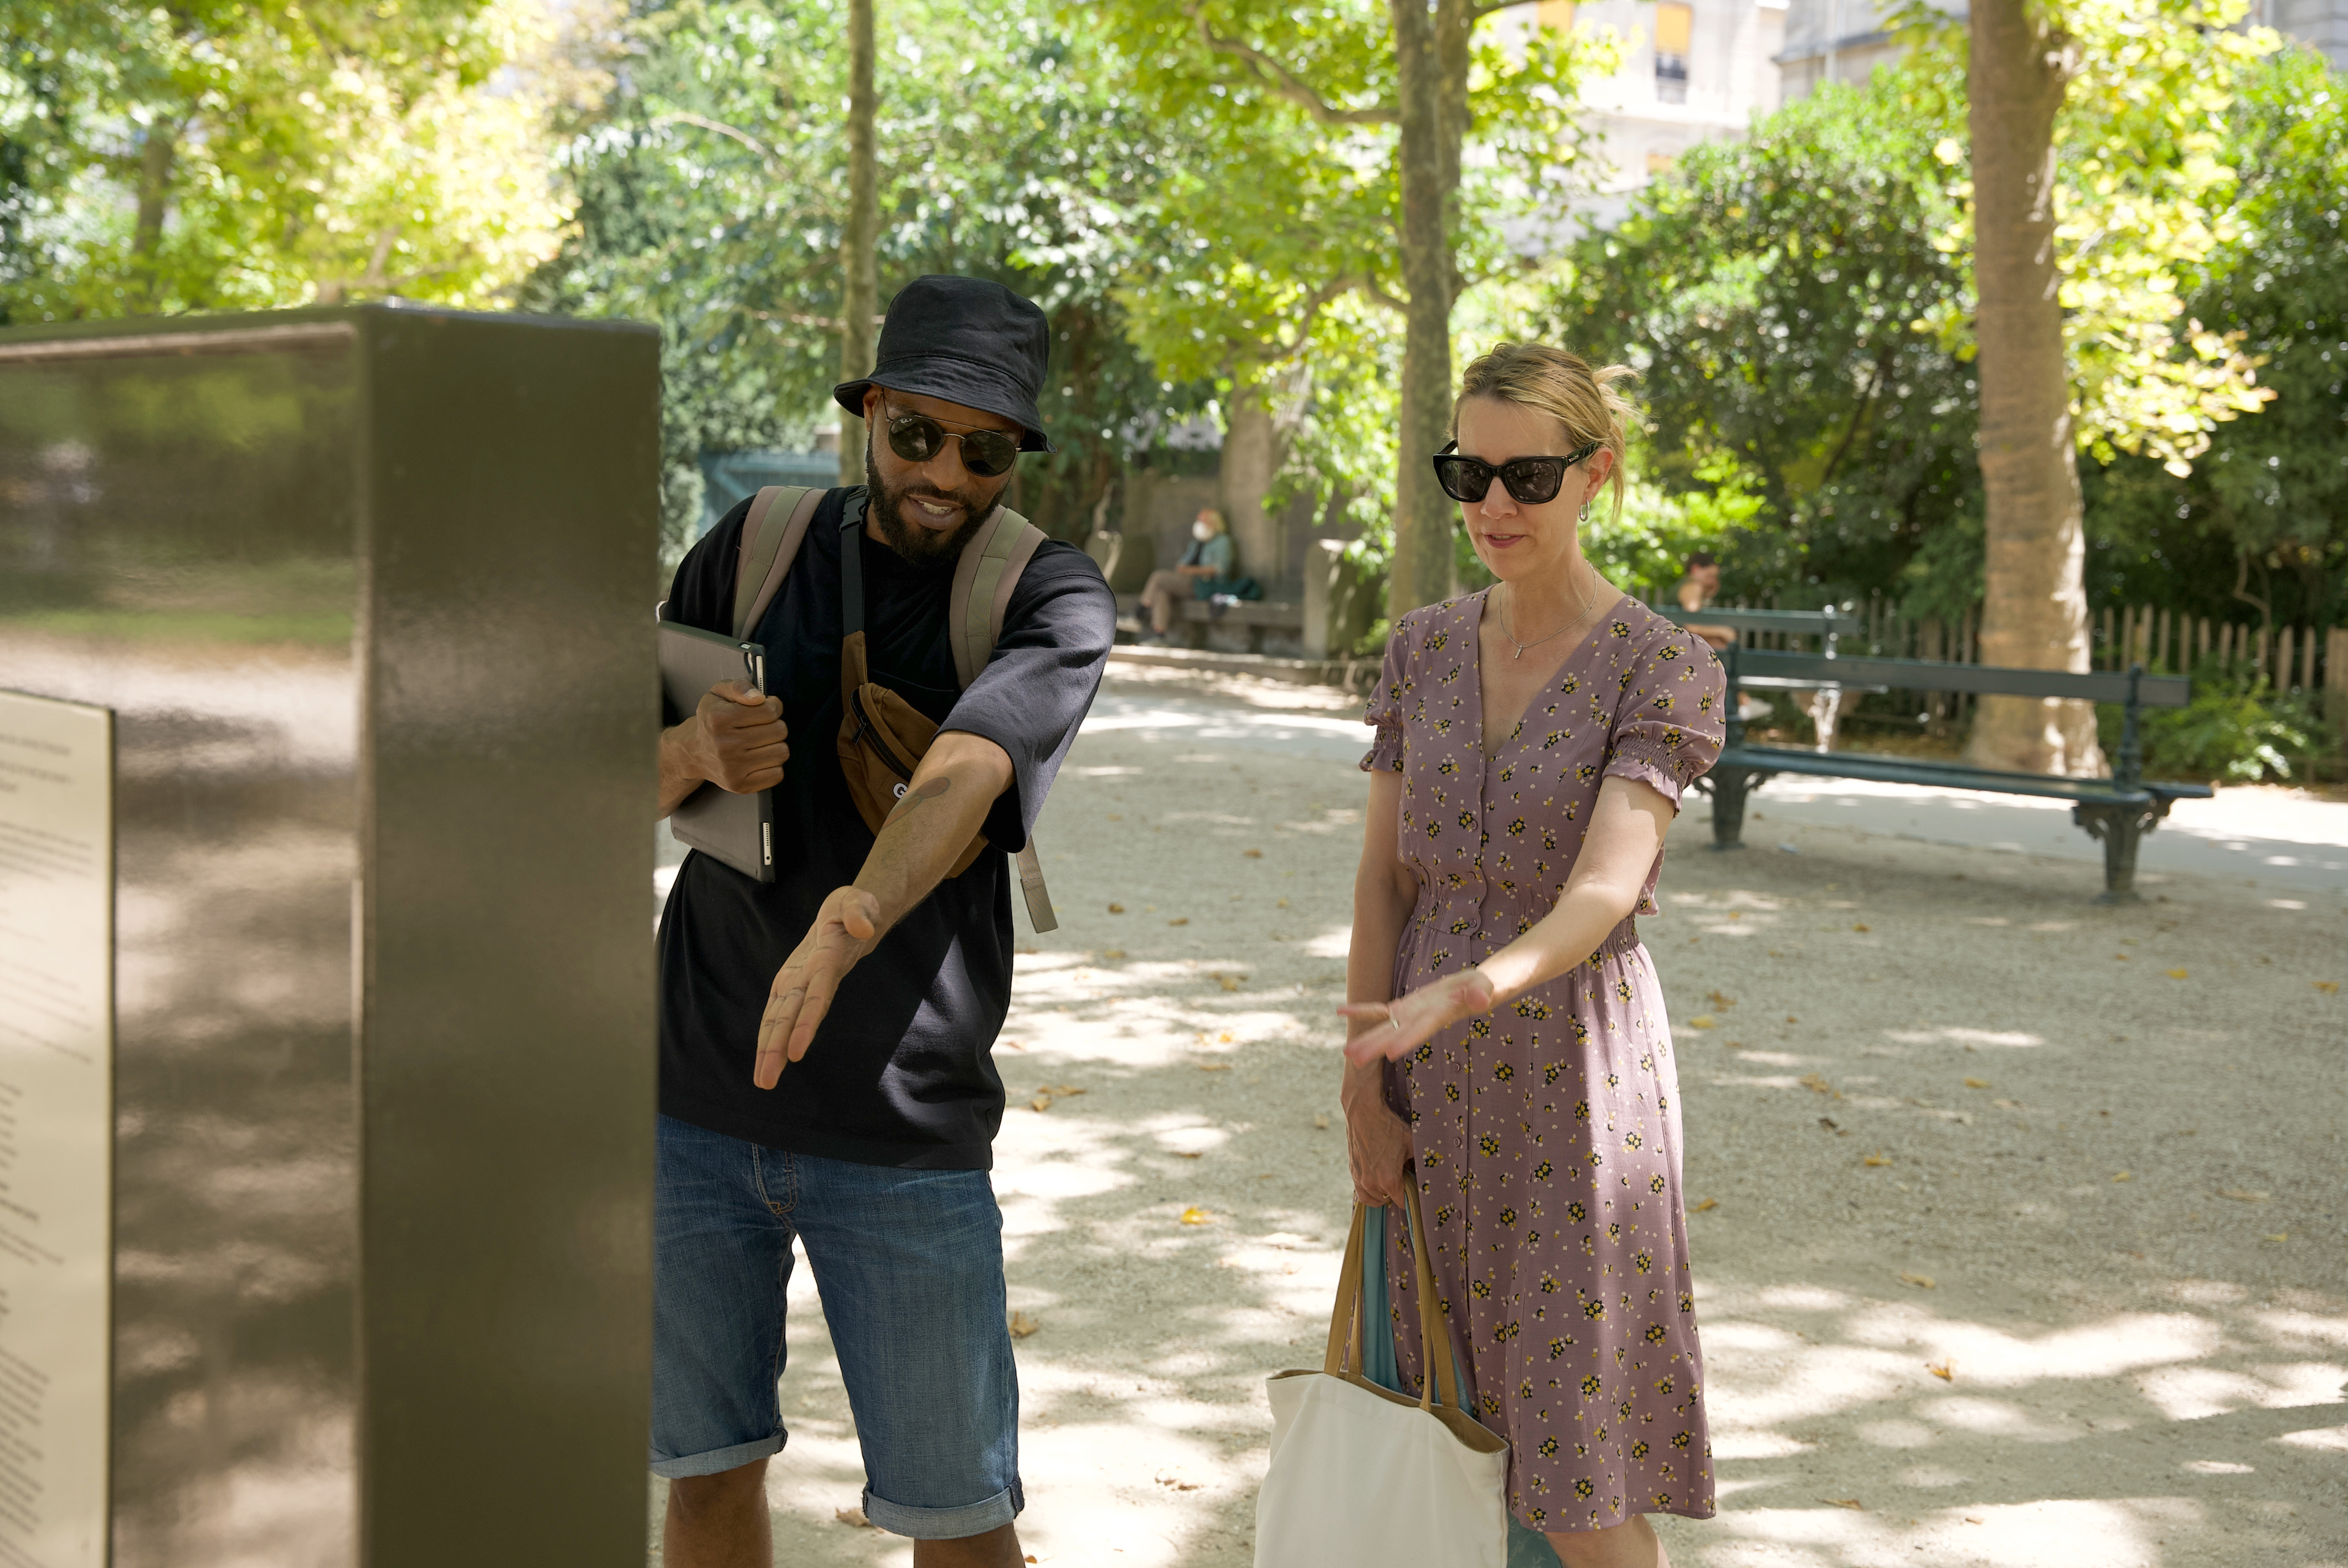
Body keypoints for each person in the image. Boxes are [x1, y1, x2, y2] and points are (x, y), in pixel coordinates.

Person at [650, 275, 1116, 1568]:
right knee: (703, 1483)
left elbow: (968, 770)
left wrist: (851, 915)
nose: (944, 474)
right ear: (868, 414)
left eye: (984, 451)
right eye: (917, 433)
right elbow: (606, 776)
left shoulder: (1048, 596)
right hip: (691, 1100)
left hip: (903, 1126)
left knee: (959, 1519)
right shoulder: (751, 547)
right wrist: (690, 750)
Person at [1338, 343, 1725, 1567]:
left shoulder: (1661, 665)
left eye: (1528, 476)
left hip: (1572, 1079)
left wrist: (1473, 985)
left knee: (1569, 1466)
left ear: (1596, 473)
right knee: (1439, 1425)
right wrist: (1360, 1085)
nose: (1494, 504)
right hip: (1421, 1068)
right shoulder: (1420, 646)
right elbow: (1384, 878)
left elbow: (1605, 888)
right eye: (1469, 474)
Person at [1135, 506, 1235, 641]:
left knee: (1158, 577)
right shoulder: (1196, 544)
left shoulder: (1223, 542)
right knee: (1162, 591)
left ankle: (1140, 612)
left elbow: (1221, 569)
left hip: (1204, 585)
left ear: (1214, 523)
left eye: (1202, 521)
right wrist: (1183, 569)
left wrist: (1191, 571)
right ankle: (1159, 636)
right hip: (1185, 582)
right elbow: (1182, 564)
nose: (1199, 524)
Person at [1674, 551, 1734, 652]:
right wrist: (1722, 632)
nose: (1713, 582)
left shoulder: (1684, 586)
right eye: (1710, 576)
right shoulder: (1693, 587)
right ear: (1695, 569)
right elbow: (1692, 626)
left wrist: (1710, 593)